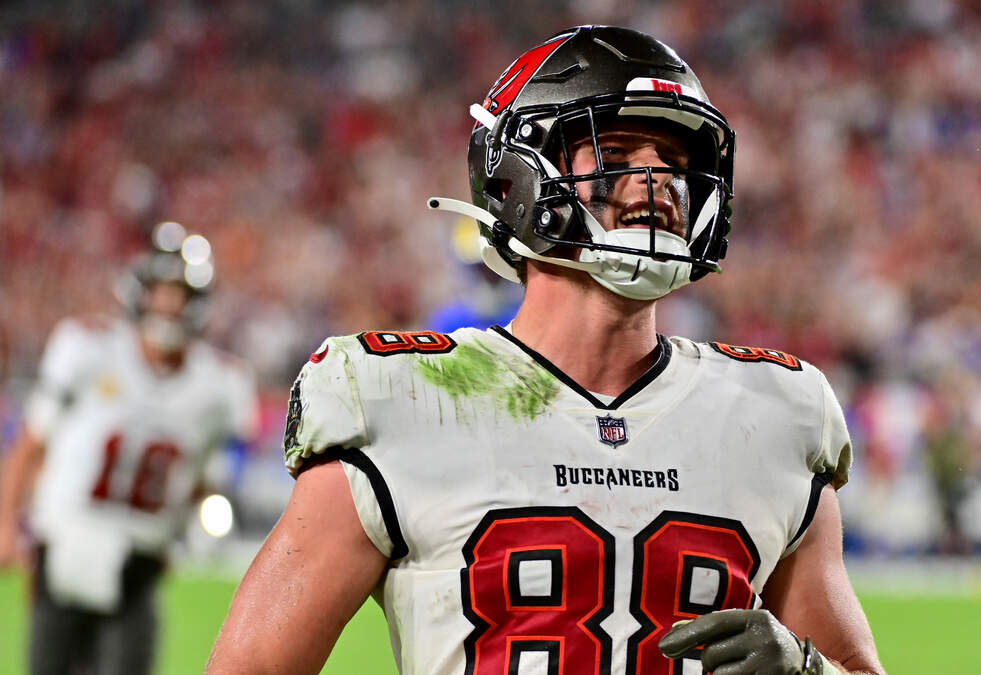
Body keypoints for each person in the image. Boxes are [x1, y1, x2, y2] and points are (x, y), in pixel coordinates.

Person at [208, 26, 884, 675]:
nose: (657, 178)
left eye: (676, 161)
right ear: (518, 179)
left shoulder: (774, 413)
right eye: (616, 150)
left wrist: (809, 671)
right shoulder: (402, 398)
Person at [0, 222, 257, 675]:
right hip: (64, 541)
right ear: (140, 291)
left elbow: (209, 479)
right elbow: (31, 444)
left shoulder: (220, 386)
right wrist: (6, 524)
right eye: (161, 291)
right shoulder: (88, 347)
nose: (169, 304)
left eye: (180, 294)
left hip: (139, 556)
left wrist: (196, 519)